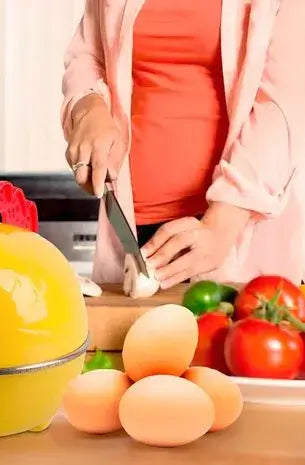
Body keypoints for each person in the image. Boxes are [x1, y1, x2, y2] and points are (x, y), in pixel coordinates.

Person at [61, 0, 305, 287]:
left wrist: (222, 225)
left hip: (234, 230)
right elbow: (89, 54)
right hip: (133, 229)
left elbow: (283, 107)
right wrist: (88, 109)